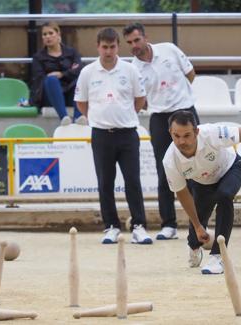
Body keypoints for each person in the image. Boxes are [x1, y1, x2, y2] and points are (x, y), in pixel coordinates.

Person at [163, 110, 241, 274]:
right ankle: (193, 246)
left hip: (231, 168)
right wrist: (197, 226)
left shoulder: (211, 133)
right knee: (197, 229)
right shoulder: (170, 161)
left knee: (224, 196)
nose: (182, 141)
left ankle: (218, 256)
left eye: (187, 135)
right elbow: (182, 194)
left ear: (196, 131)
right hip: (202, 182)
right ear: (170, 133)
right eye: (176, 136)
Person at [74, 27, 153, 245]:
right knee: (105, 182)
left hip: (128, 133)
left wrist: (124, 115)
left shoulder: (130, 70)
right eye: (104, 47)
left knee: (133, 181)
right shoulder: (87, 72)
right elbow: (81, 103)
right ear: (98, 47)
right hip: (101, 135)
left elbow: (139, 100)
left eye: (112, 47)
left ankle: (139, 226)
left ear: (118, 46)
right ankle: (111, 226)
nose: (108, 51)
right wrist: (98, 118)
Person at [122, 22, 200, 241]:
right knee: (164, 169)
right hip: (159, 118)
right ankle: (169, 224)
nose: (134, 46)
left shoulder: (169, 49)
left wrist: (180, 98)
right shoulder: (132, 68)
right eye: (129, 43)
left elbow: (190, 74)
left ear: (146, 37)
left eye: (137, 40)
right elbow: (141, 100)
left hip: (186, 111)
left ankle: (199, 221)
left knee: (196, 165)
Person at [30, 21, 87, 126]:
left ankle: (78, 117)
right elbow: (40, 78)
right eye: (44, 34)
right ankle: (64, 118)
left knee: (79, 80)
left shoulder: (71, 52)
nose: (48, 37)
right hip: (50, 96)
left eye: (51, 33)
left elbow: (79, 71)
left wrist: (62, 74)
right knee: (51, 80)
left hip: (70, 94)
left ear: (58, 34)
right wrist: (69, 72)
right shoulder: (38, 57)